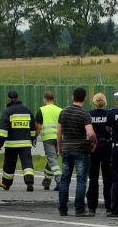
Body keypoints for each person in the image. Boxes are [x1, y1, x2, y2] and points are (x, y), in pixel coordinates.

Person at [56, 87, 97, 217]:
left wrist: (59, 147)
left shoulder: (63, 112)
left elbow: (59, 132)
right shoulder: (85, 114)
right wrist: (95, 142)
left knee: (64, 180)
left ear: (72, 97)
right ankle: (79, 209)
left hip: (67, 149)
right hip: (81, 150)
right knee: (81, 180)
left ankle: (63, 209)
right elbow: (90, 133)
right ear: (85, 98)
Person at [0, 90, 39, 191]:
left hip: (11, 145)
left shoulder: (7, 111)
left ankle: (6, 184)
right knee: (27, 163)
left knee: (9, 164)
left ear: (8, 99)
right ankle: (29, 182)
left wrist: (0, 142)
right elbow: (33, 128)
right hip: (25, 144)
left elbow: (3, 129)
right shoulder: (27, 111)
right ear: (18, 97)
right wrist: (32, 139)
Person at [86, 92, 113, 214]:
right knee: (108, 177)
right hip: (107, 145)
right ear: (105, 102)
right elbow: (111, 129)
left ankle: (92, 207)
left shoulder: (89, 114)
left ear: (94, 102)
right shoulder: (108, 114)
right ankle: (109, 206)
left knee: (93, 177)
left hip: (94, 145)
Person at [37, 91, 62, 190]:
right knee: (53, 159)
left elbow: (38, 127)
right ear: (53, 100)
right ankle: (47, 181)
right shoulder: (60, 110)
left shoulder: (41, 110)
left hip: (48, 138)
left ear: (44, 99)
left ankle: (59, 180)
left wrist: (34, 137)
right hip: (59, 137)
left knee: (51, 159)